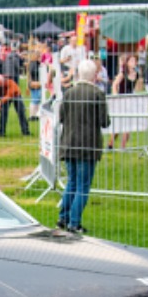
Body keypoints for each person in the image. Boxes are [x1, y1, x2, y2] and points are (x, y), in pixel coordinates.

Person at [56, 59, 110, 234]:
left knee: (71, 182)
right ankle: (74, 222)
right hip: (87, 146)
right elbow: (104, 122)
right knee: (82, 186)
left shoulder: (69, 93)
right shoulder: (97, 94)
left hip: (69, 143)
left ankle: (63, 217)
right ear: (94, 75)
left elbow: (62, 117)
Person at [109, 54, 144, 149]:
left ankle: (123, 147)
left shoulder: (136, 74)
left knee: (128, 125)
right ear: (127, 63)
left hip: (130, 101)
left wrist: (140, 78)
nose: (134, 63)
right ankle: (110, 144)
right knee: (118, 125)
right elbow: (114, 85)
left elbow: (138, 88)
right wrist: (115, 96)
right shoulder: (122, 74)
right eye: (131, 61)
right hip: (120, 100)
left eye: (135, 61)